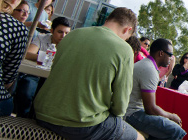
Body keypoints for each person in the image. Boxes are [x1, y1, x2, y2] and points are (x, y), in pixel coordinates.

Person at [33, 7, 142, 140]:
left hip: (42, 113)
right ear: (127, 30)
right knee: (138, 137)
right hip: (79, 124)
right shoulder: (124, 50)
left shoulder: (72, 34)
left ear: (108, 20)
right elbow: (120, 106)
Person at [125, 38, 186, 140]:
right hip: (131, 113)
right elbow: (150, 109)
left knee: (164, 125)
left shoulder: (147, 64)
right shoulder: (149, 69)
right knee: (176, 130)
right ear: (161, 53)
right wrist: (171, 116)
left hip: (132, 109)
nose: (171, 58)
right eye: (170, 55)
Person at [12, 16, 70, 118]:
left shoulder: (69, 45)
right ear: (52, 31)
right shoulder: (42, 38)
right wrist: (46, 57)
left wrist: (42, 56)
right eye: (60, 32)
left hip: (54, 78)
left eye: (67, 33)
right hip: (36, 74)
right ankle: (23, 118)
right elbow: (28, 54)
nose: (63, 36)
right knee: (27, 89)